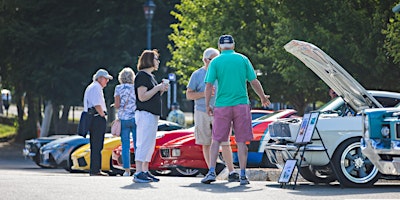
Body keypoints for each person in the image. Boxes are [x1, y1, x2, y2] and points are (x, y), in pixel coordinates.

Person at [202, 35, 271, 185]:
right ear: (233, 45)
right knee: (241, 141)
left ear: (220, 47)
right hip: (241, 104)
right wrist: (262, 97)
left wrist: (207, 104)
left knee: (216, 140)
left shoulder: (215, 62)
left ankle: (211, 172)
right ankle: (243, 175)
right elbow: (254, 81)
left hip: (222, 105)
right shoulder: (243, 59)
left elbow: (208, 85)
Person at [186, 47, 239, 182]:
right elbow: (189, 94)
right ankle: (212, 171)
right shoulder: (197, 75)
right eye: (214, 59)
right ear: (205, 60)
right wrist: (205, 94)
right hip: (202, 111)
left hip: (221, 111)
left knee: (225, 142)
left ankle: (232, 172)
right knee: (206, 142)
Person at [133, 49, 169, 183]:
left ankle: (145, 170)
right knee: (143, 142)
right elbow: (142, 97)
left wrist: (160, 90)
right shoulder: (142, 76)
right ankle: (138, 172)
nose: (158, 62)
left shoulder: (150, 77)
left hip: (152, 114)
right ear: (149, 60)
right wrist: (158, 88)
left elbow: (151, 96)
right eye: (156, 59)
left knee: (150, 143)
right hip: (145, 114)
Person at [83, 69, 113, 176]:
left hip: (92, 117)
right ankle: (96, 169)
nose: (107, 81)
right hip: (97, 117)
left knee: (95, 145)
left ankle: (95, 168)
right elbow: (97, 104)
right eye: (106, 79)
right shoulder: (96, 87)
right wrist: (102, 115)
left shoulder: (92, 86)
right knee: (97, 145)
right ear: (100, 78)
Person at [113, 67, 137, 176]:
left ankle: (127, 170)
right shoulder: (135, 87)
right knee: (137, 144)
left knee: (125, 145)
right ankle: (139, 168)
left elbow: (117, 105)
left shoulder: (118, 88)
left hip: (123, 119)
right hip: (135, 118)